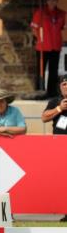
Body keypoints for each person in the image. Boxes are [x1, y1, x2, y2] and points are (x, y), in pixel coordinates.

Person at [41, 74, 67, 222]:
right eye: (64, 84)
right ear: (60, 87)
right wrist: (59, 108)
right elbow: (44, 117)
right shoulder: (54, 102)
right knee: (62, 180)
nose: (66, 87)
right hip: (59, 147)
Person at [31, 0, 66, 98]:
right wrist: (39, 38)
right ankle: (39, 90)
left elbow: (62, 27)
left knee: (53, 70)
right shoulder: (40, 13)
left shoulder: (61, 14)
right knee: (40, 70)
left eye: (54, 0)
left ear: (56, 1)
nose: (52, 2)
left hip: (55, 46)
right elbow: (34, 28)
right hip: (43, 47)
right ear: (47, 1)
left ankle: (52, 92)